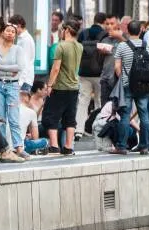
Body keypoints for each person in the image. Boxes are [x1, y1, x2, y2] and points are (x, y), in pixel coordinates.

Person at [109, 20, 149, 155]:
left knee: (125, 115)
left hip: (127, 85)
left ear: (127, 31)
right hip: (144, 85)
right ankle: (144, 146)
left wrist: (123, 78)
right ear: (140, 31)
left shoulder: (122, 46)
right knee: (144, 115)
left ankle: (121, 146)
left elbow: (117, 67)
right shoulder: (147, 46)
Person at [42, 20, 82, 155]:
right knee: (70, 118)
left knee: (51, 115)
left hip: (60, 87)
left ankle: (54, 146)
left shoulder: (61, 46)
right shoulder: (79, 46)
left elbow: (55, 68)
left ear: (66, 30)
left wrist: (49, 85)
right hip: (74, 87)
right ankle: (68, 146)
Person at [0, 21, 25, 158]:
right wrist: (8, 72)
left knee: (14, 117)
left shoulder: (18, 50)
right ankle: (2, 148)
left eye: (13, 31)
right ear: (2, 32)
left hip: (13, 85)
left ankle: (19, 147)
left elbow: (19, 67)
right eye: (7, 30)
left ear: (15, 35)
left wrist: (1, 68)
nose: (10, 33)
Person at [76, 11, 108, 137]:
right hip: (99, 73)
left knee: (83, 101)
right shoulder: (104, 34)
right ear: (104, 22)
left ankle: (79, 129)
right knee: (99, 101)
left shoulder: (83, 33)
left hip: (84, 73)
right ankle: (96, 128)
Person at [98, 14, 123, 104]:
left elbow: (131, 49)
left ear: (118, 24)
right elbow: (100, 61)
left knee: (118, 107)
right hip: (105, 78)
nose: (109, 26)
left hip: (119, 79)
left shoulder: (124, 38)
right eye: (107, 24)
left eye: (112, 23)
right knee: (104, 108)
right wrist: (101, 53)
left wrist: (119, 37)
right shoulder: (104, 39)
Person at [10, 14, 36, 95]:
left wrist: (20, 82)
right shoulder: (22, 38)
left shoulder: (26, 40)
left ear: (19, 25)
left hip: (23, 81)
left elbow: (25, 63)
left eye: (12, 27)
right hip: (22, 80)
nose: (11, 30)